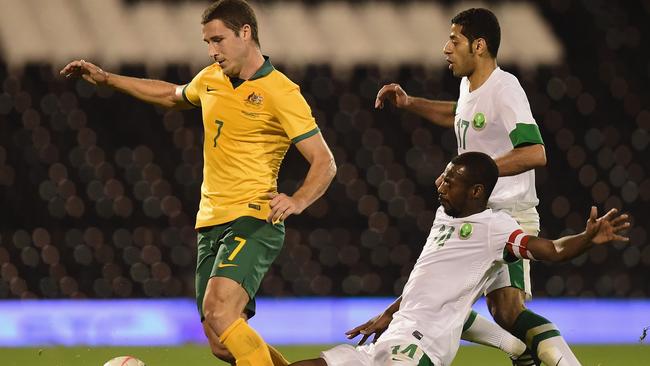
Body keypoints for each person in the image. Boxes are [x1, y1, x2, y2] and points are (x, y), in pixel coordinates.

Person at [60, 1, 336, 365]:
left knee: (220, 311)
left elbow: (324, 161)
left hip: (253, 218)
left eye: (218, 40)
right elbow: (170, 95)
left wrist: (298, 199)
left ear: (246, 33)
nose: (212, 50)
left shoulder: (280, 90)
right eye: (207, 42)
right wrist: (109, 79)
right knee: (222, 342)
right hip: (209, 222)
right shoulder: (210, 79)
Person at [290, 152, 629, 366]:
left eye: (450, 181)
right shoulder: (443, 215)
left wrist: (586, 239)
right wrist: (389, 313)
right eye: (443, 177)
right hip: (390, 339)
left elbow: (552, 250)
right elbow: (426, 282)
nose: (440, 185)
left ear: (476, 191)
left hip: (419, 349)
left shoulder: (496, 228)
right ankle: (518, 350)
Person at [374, 8, 569, 365]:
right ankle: (523, 352)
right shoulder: (469, 87)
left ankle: (563, 361)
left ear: (478, 46)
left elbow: (536, 151)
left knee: (507, 310)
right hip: (479, 215)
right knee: (462, 302)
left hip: (507, 215)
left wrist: (476, 171)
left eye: (454, 40)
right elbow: (457, 114)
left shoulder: (505, 88)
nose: (446, 49)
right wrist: (410, 103)